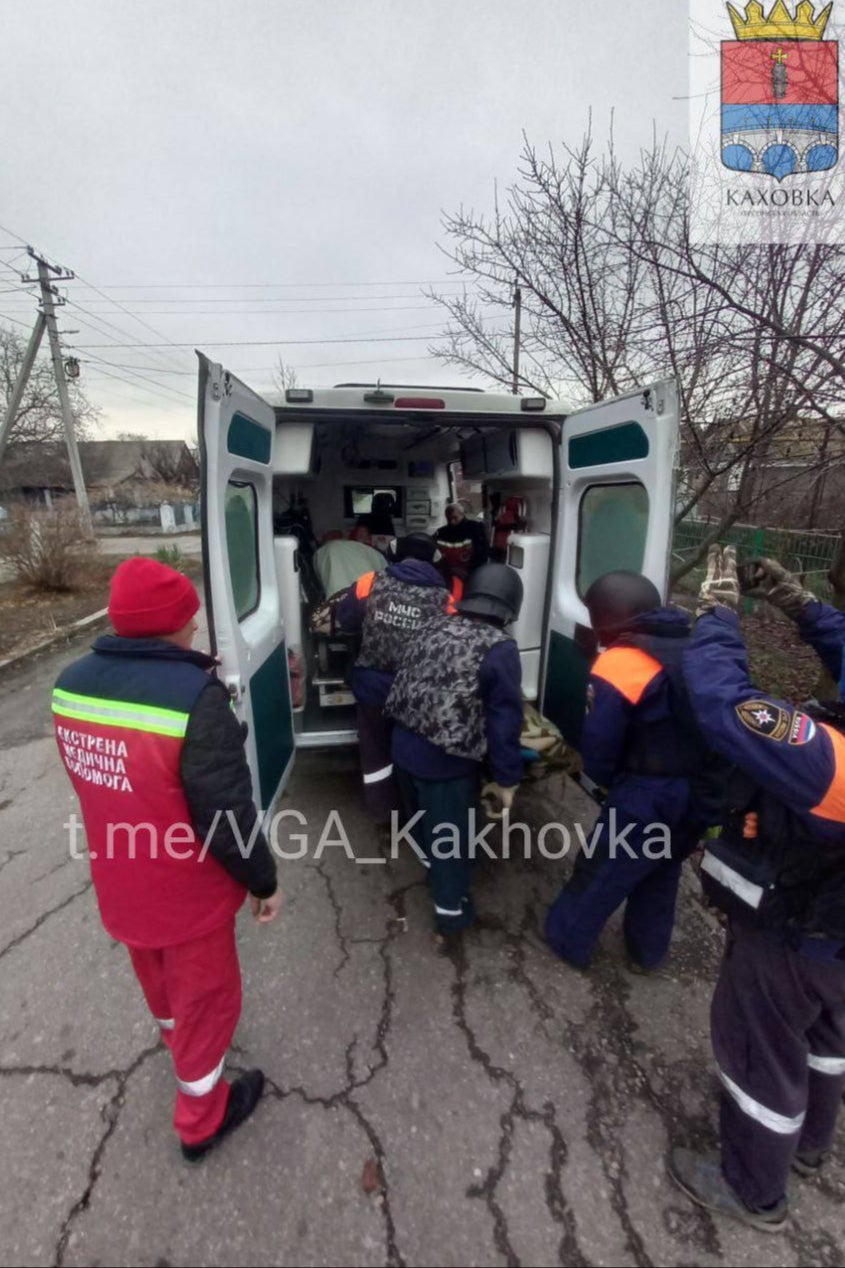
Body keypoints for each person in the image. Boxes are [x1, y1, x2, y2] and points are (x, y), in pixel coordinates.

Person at [52, 557, 282, 1162]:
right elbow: (228, 815)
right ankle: (201, 1118)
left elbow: (93, 783)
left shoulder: (68, 684)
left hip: (122, 882)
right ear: (172, 626)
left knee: (161, 989)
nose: (197, 628)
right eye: (190, 619)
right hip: (188, 896)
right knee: (207, 999)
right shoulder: (195, 699)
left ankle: (181, 1050)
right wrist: (265, 881)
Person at [669, 548, 845, 1232]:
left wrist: (716, 616)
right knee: (827, 1037)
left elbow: (723, 706)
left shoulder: (826, 764)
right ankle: (809, 1144)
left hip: (795, 934)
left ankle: (751, 1186)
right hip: (836, 944)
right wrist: (802, 610)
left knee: (758, 1049)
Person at [545, 571, 722, 972]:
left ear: (606, 618)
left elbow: (600, 743)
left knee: (604, 867)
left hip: (647, 792)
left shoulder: (622, 662)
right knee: (663, 868)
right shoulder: (700, 647)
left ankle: (566, 939)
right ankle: (647, 952)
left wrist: (607, 784)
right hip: (700, 788)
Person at [385, 563, 524, 936]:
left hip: (403, 747)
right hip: (446, 764)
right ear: (510, 607)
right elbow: (504, 722)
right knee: (452, 841)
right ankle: (450, 912)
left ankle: (437, 866)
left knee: (427, 827)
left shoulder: (432, 624)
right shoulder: (500, 649)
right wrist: (507, 779)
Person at [313, 533, 452, 822]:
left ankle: (383, 813)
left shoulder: (370, 582)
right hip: (417, 692)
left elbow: (347, 622)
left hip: (373, 687)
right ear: (433, 561)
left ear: (395, 555)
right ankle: (413, 810)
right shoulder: (445, 598)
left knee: (375, 750)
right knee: (411, 749)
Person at [435, 502, 489, 581]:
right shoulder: (442, 532)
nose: (452, 522)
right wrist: (449, 569)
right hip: (448, 573)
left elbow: (481, 552)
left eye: (455, 518)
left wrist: (471, 571)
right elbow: (436, 554)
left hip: (471, 573)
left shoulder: (475, 528)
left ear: (462, 515)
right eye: (449, 519)